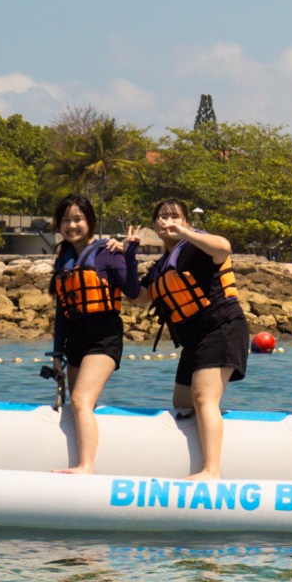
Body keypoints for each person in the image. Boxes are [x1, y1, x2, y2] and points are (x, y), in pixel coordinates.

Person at [136, 196, 249, 479]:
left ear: (186, 222)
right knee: (182, 402)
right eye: (162, 216)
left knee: (203, 397)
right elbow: (140, 298)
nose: (167, 220)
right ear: (155, 225)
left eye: (175, 216)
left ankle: (212, 469)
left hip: (221, 327)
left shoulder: (196, 247)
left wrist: (185, 233)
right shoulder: (161, 265)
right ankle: (190, 458)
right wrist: (123, 256)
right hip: (194, 338)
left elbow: (224, 248)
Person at [46, 194, 136, 472]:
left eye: (78, 219)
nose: (72, 225)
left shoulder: (108, 252)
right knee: (81, 404)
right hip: (76, 339)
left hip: (103, 336)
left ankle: (86, 466)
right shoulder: (64, 259)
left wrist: (129, 255)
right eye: (66, 221)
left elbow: (132, 292)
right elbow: (62, 313)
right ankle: (80, 457)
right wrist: (57, 353)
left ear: (90, 221)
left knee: (80, 400)